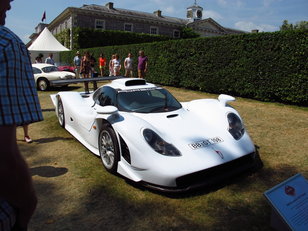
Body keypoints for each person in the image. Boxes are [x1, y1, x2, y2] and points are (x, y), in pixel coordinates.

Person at [0, 1, 44, 230]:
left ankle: (26, 134)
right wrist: (28, 204)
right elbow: (3, 155)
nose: (10, 3)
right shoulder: (7, 44)